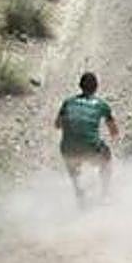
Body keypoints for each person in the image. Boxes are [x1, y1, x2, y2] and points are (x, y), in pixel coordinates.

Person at [55, 72, 119, 205]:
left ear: (80, 86)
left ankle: (78, 191)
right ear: (96, 87)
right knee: (106, 158)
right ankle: (105, 194)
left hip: (68, 149)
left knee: (70, 156)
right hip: (91, 148)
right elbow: (114, 131)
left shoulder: (68, 102)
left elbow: (57, 125)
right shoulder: (102, 105)